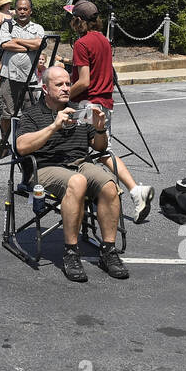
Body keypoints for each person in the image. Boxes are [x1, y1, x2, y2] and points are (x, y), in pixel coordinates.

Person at [16, 66, 127, 283]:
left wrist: (101, 129)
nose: (66, 88)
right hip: (45, 168)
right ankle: (71, 252)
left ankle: (108, 250)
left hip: (80, 163)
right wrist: (54, 126)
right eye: (59, 85)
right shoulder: (31, 114)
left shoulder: (80, 111)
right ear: (45, 88)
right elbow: (21, 147)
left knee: (109, 183)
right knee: (77, 181)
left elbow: (99, 146)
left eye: (68, 83)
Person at [67, 0, 156, 223]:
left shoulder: (81, 43)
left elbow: (85, 80)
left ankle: (127, 191)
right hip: (105, 101)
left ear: (79, 20)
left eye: (73, 18)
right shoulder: (104, 41)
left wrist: (65, 93)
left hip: (88, 103)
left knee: (94, 150)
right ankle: (129, 191)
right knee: (102, 150)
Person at [0, 0, 46, 149]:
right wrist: (29, 47)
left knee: (30, 114)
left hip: (29, 78)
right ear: (15, 10)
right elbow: (5, 44)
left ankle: (26, 145)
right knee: (6, 113)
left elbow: (40, 43)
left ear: (30, 11)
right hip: (8, 76)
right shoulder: (7, 26)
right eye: (19, 9)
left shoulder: (37, 28)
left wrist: (17, 40)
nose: (22, 11)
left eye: (25, 9)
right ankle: (4, 144)